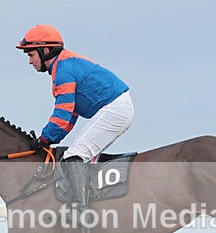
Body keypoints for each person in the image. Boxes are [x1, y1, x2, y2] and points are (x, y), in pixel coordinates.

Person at [15, 24, 134, 214]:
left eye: (31, 55)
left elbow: (62, 113)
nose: (30, 61)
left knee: (73, 156)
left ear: (45, 50)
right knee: (79, 154)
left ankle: (81, 210)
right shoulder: (63, 65)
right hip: (116, 107)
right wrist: (50, 139)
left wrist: (44, 139)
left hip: (115, 109)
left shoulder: (63, 69)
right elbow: (70, 116)